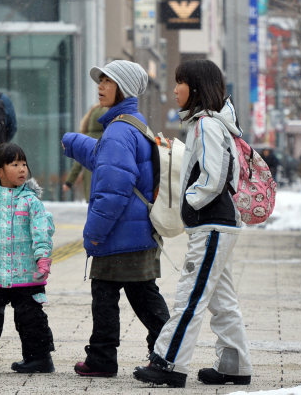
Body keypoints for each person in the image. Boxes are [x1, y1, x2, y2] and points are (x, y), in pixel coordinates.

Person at [133, 59, 252, 389]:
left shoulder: (207, 125)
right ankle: (234, 365)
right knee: (220, 299)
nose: (174, 89)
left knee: (192, 295)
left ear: (196, 88)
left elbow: (213, 177)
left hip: (211, 222)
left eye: (180, 83)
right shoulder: (217, 123)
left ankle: (169, 364)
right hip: (217, 222)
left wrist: (190, 203)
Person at [62, 59, 170, 378]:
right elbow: (108, 162)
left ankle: (106, 358)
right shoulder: (130, 123)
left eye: (108, 81)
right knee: (140, 294)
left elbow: (113, 190)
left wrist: (93, 234)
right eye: (100, 80)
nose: (101, 86)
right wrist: (74, 142)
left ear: (123, 88)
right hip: (136, 230)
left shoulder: (118, 131)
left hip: (120, 232)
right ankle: (161, 350)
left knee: (112, 296)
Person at [0, 142, 55, 376]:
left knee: (31, 316)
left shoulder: (31, 202)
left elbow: (41, 231)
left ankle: (39, 358)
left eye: (24, 164)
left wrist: (43, 258)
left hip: (27, 273)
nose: (22, 169)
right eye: (15, 164)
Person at [62, 103, 107, 201]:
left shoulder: (85, 138)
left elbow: (77, 165)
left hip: (90, 185)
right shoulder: (111, 137)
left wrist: (69, 182)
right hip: (106, 183)